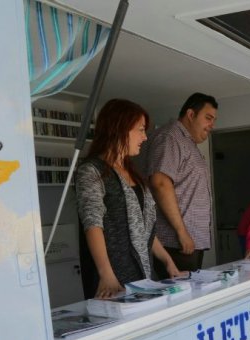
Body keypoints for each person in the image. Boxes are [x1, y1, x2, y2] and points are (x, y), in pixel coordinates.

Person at [76, 99, 183, 299]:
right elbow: (92, 224)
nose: (144, 137)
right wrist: (106, 274)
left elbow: (145, 228)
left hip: (144, 275)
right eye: (141, 130)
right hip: (113, 281)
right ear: (120, 128)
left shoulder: (133, 173)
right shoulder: (91, 171)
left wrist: (168, 261)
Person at [142, 92, 218, 277]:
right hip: (175, 242)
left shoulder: (186, 142)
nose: (211, 125)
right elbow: (160, 182)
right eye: (208, 118)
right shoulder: (170, 137)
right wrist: (182, 232)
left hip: (186, 242)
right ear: (191, 114)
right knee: (178, 299)